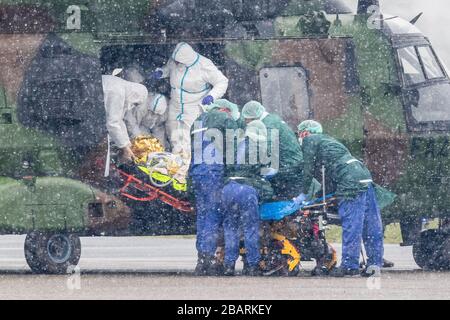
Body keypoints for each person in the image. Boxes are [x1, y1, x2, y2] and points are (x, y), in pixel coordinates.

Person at [296, 120, 384, 277]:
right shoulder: (329, 140)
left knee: (352, 224)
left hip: (350, 182)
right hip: (364, 176)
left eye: (299, 134)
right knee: (370, 224)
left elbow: (307, 171)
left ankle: (350, 266)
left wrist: (302, 193)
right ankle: (375, 264)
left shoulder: (310, 140)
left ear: (305, 133)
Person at [152, 42, 229, 164]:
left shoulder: (204, 65)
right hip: (176, 102)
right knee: (173, 131)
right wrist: (162, 72)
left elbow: (222, 82)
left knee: (188, 134)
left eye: (178, 62)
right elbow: (169, 69)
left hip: (193, 105)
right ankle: (175, 160)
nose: (175, 63)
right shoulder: (175, 60)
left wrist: (211, 96)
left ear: (186, 59)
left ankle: (187, 165)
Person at [189, 99, 240, 276]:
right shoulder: (225, 119)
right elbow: (233, 150)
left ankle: (201, 258)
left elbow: (193, 150)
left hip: (197, 173)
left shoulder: (197, 121)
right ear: (226, 109)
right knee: (213, 214)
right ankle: (208, 257)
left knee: (202, 215)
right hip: (214, 173)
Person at [220, 120, 274, 276]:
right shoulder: (258, 147)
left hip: (228, 189)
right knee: (250, 228)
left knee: (230, 228)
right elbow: (266, 171)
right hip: (246, 189)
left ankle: (228, 265)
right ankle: (252, 265)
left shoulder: (234, 145)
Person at [241, 101, 303, 199]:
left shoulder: (268, 125)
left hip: (287, 166)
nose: (246, 123)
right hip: (291, 164)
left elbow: (265, 150)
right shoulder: (272, 120)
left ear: (254, 117)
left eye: (247, 120)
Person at [102, 75, 148, 163]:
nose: (133, 106)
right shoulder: (118, 93)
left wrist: (127, 144)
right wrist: (124, 147)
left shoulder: (123, 88)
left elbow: (119, 119)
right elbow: (112, 123)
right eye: (135, 103)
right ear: (135, 96)